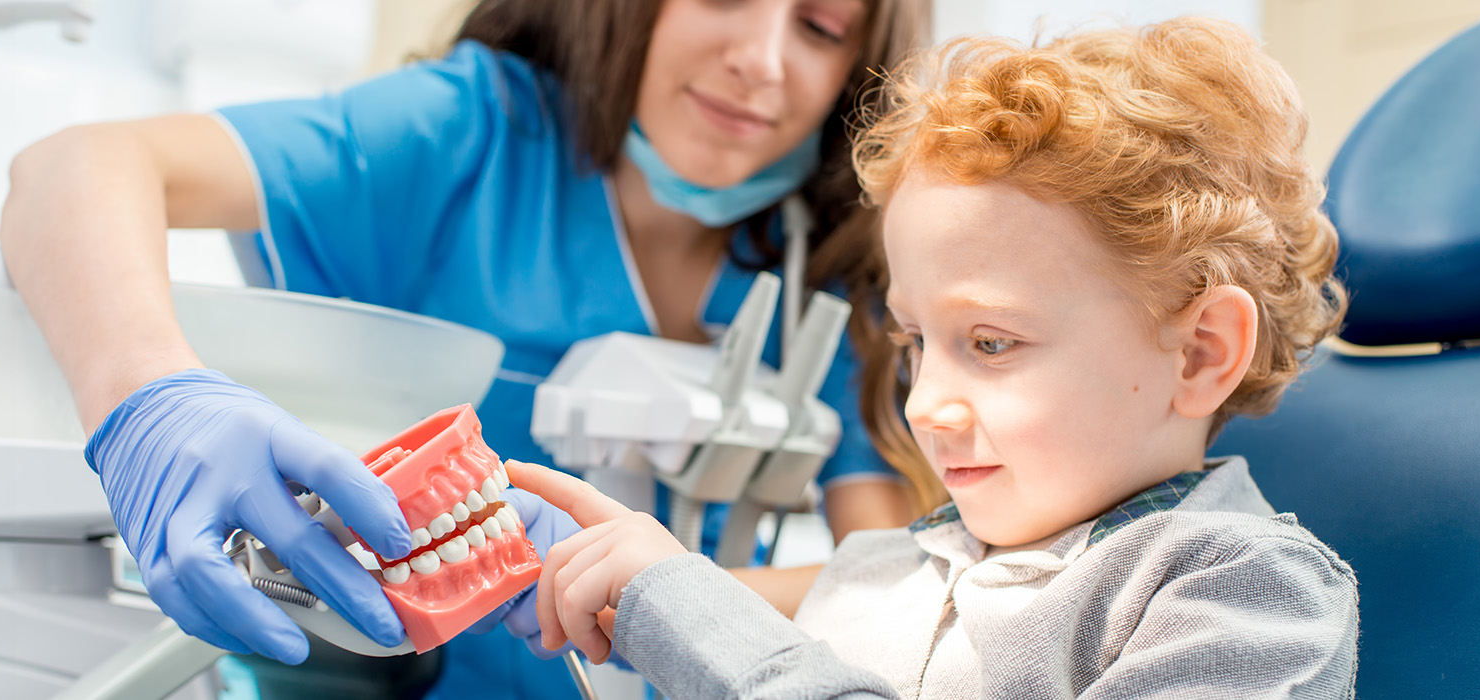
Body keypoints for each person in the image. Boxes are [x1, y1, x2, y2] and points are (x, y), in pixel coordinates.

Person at [0, 0, 931, 697]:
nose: (760, 62)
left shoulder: (834, 266)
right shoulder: (470, 133)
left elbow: (899, 572)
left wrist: (664, 594)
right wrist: (149, 398)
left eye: (819, 25)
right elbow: (71, 168)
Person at [509, 18, 1361, 699]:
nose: (924, 406)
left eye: (991, 344)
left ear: (1202, 353)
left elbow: (716, 629)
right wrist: (611, 575)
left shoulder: (1241, 594)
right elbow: (694, 601)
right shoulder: (909, 567)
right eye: (916, 342)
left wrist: (685, 610)